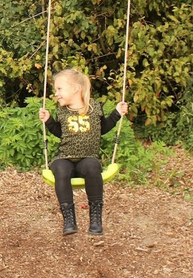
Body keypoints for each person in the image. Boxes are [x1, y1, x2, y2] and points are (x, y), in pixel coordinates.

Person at [38, 68, 128, 236]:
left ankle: (95, 219)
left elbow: (102, 128)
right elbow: (60, 132)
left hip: (87, 158)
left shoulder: (94, 108)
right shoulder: (61, 111)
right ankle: (69, 220)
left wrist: (116, 114)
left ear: (75, 89)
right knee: (60, 168)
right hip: (65, 157)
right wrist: (49, 121)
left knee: (93, 166)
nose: (56, 93)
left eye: (59, 89)